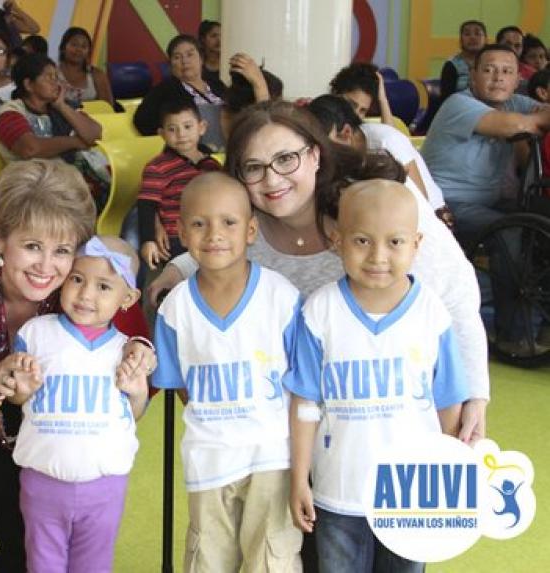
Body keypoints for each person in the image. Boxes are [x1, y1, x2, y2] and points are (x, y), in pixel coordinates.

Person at [149, 101, 488, 457]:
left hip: (393, 418)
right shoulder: (249, 230)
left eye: (285, 159)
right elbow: (217, 245)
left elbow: (456, 290)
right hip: (302, 431)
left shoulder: (376, 207)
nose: (272, 180)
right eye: (254, 167)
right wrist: (176, 269)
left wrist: (475, 393)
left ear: (314, 156)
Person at [0, 159, 155, 572]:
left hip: (77, 446)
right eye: (31, 246)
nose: (46, 267)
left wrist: (139, 355)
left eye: (62, 250)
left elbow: (137, 364)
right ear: (0, 236)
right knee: (21, 552)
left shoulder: (93, 281)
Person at [285, 180, 468, 573]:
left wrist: (451, 481)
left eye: (395, 242)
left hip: (412, 494)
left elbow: (448, 402)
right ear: (337, 240)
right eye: (362, 241)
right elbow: (304, 404)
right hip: (338, 492)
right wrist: (300, 478)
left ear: (417, 243)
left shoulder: (432, 314)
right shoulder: (320, 313)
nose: (378, 256)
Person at [153, 172, 303, 572]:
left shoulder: (281, 297)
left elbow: (301, 382)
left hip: (272, 454)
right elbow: (181, 385)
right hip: (209, 457)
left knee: (271, 558)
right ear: (181, 231)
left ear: (251, 230)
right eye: (199, 224)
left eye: (229, 222)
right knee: (208, 559)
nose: (214, 234)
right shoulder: (175, 308)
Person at [11, 235, 149, 572]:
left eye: (104, 287)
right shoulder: (35, 333)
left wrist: (138, 392)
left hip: (104, 486)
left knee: (94, 564)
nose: (86, 294)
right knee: (42, 563)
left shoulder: (127, 350)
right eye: (77, 279)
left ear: (128, 297)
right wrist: (21, 388)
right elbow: (18, 398)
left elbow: (132, 414)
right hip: (43, 482)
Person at [422, 44, 550, 246]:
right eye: (489, 70)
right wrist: (537, 120)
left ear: (518, 80)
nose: (498, 77)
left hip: (491, 202)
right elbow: (515, 125)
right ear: (473, 75)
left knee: (542, 218)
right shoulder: (457, 103)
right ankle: (501, 279)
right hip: (446, 202)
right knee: (513, 229)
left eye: (507, 71)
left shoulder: (516, 103)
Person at [307, 94, 452, 227]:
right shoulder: (347, 152)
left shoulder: (387, 142)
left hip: (431, 216)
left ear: (346, 133)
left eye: (326, 147)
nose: (322, 155)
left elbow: (420, 201)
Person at [0, 53, 108, 208]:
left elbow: (94, 135)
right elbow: (30, 148)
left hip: (67, 182)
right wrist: (74, 142)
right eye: (49, 77)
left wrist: (62, 106)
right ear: (28, 85)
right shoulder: (10, 112)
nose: (57, 83)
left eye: (56, 77)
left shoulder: (61, 107)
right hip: (33, 189)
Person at [138, 99, 220, 270]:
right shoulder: (158, 167)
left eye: (187, 127)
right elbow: (146, 206)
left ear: (202, 127)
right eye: (172, 129)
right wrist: (149, 240)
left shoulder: (212, 165)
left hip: (209, 232)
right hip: (176, 238)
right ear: (162, 134)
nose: (181, 134)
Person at [134, 35, 228, 151]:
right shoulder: (164, 90)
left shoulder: (217, 84)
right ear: (171, 65)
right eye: (177, 57)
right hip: (194, 154)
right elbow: (142, 120)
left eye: (190, 55)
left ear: (201, 59)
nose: (185, 61)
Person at [57, 27, 113, 108]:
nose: (78, 49)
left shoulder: (97, 75)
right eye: (74, 44)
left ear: (88, 51)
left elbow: (107, 108)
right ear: (63, 47)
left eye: (84, 46)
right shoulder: (52, 73)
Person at [328, 61, 396, 126]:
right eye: (351, 104)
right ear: (336, 94)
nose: (356, 115)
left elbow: (391, 136)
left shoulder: (361, 131)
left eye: (362, 111)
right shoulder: (320, 124)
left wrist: (382, 99)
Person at [197, 20, 224, 94]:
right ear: (203, 39)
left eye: (222, 35)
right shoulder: (197, 67)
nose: (219, 40)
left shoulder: (230, 65)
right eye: (214, 36)